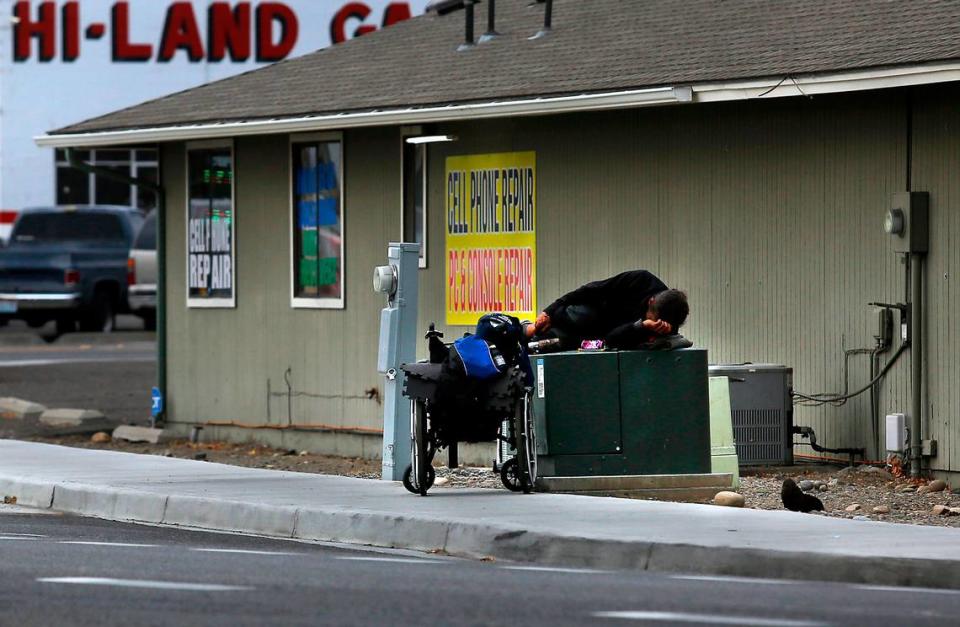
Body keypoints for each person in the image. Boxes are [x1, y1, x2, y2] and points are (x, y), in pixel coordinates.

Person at [527, 270, 689, 350]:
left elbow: (612, 340)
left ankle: (538, 340)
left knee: (560, 342)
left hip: (604, 339)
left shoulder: (664, 326)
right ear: (651, 301)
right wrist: (549, 311)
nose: (648, 319)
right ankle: (529, 329)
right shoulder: (642, 281)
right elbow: (591, 290)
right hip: (594, 313)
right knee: (579, 316)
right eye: (649, 316)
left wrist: (642, 327)